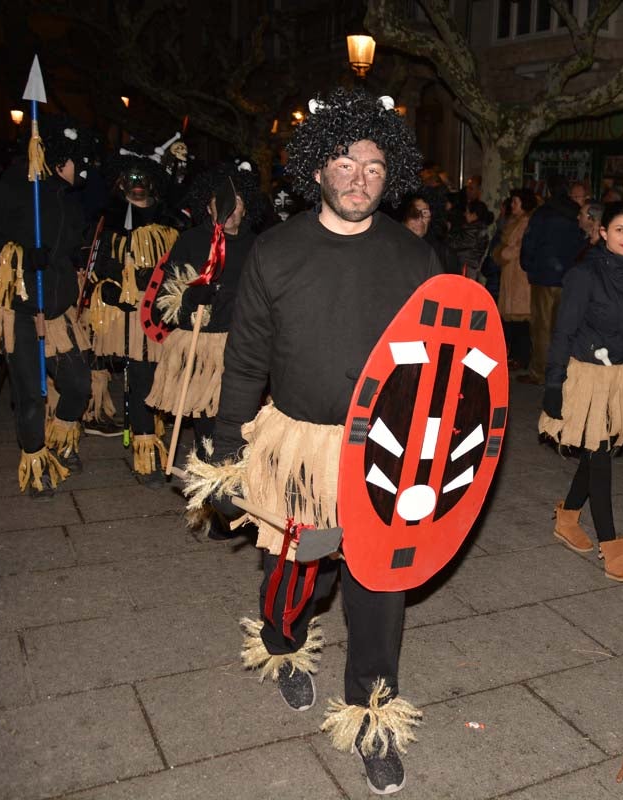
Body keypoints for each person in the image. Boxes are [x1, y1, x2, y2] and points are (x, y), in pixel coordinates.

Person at [191, 88, 440, 794]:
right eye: (345, 162)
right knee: (300, 579)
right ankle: (284, 645)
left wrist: (432, 450)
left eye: (373, 167)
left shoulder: (415, 258)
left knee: (378, 594)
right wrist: (224, 449)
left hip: (384, 457)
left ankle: (371, 714)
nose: (359, 178)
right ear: (316, 168)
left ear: (389, 175)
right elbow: (246, 360)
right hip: (300, 453)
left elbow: (438, 366)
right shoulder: (275, 252)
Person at [0, 116, 92, 498]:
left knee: (77, 384)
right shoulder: (6, 191)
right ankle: (36, 462)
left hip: (55, 312)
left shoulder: (68, 203)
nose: (84, 170)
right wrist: (19, 257)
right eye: (78, 163)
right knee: (30, 395)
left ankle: (64, 438)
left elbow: (72, 247)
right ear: (59, 162)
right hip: (18, 311)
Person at [145, 163, 268, 533]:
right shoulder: (192, 242)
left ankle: (241, 498)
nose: (231, 208)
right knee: (210, 430)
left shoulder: (259, 246)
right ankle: (215, 506)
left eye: (238, 200)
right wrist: (192, 296)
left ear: (247, 207)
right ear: (209, 206)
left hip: (245, 349)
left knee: (248, 428)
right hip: (204, 351)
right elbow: (168, 304)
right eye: (222, 201)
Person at [538, 200, 623, 582]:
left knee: (594, 452)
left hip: (620, 377)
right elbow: (564, 331)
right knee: (600, 457)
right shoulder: (584, 275)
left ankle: (568, 516)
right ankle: (612, 545)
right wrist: (554, 382)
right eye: (620, 229)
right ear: (603, 232)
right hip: (586, 377)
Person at [86, 147, 184, 484]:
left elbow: (183, 271)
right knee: (140, 376)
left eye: (143, 178)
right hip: (123, 319)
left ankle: (151, 432)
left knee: (156, 378)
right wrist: (109, 287)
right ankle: (145, 458)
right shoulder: (108, 225)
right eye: (131, 179)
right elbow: (93, 268)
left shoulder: (171, 226)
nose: (137, 184)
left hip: (159, 318)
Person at [520, 174, 585, 385]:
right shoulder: (575, 212)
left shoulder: (543, 213)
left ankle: (540, 372)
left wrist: (528, 264)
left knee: (542, 327)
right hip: (569, 277)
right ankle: (562, 370)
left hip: (545, 276)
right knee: (563, 327)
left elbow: (530, 242)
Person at [495, 188, 537, 372]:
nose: (512, 205)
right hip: (511, 275)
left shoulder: (526, 222)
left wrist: (501, 253)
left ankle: (521, 357)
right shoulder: (514, 221)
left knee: (520, 320)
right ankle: (514, 355)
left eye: (515, 202)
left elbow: (517, 247)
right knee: (512, 320)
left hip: (519, 276)